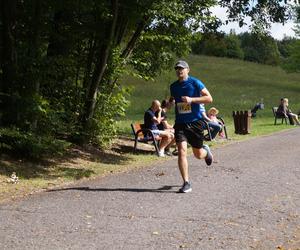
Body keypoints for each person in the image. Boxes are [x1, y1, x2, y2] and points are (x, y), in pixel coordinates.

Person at [170, 60, 213, 193]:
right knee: (182, 150)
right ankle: (186, 182)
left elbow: (209, 98)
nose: (179, 70)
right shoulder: (173, 86)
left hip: (195, 122)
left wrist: (192, 100)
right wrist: (170, 102)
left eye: (182, 68)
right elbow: (174, 99)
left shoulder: (195, 82)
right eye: (177, 68)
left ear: (188, 70)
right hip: (180, 123)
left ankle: (206, 152)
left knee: (198, 154)